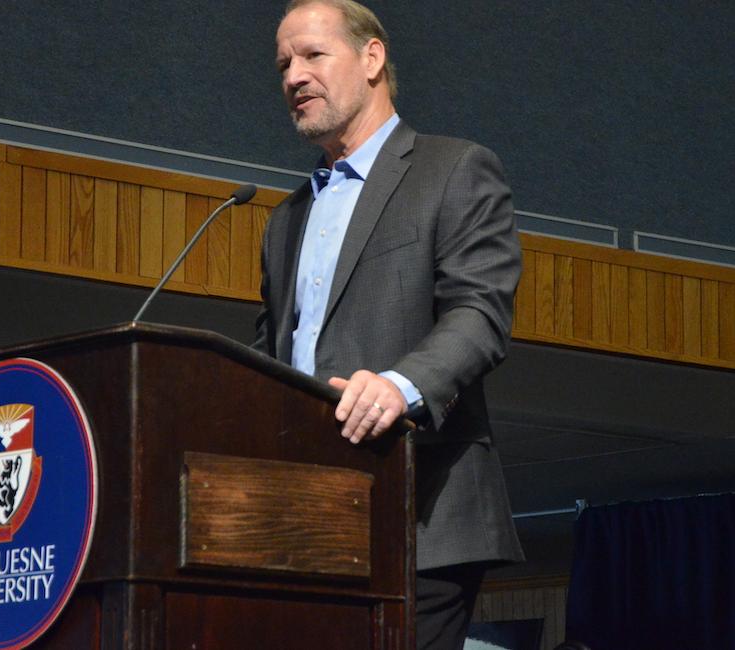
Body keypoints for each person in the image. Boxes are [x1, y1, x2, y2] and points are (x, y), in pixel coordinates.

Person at [253, 1, 525, 647]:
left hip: (420, 512)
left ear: (372, 58)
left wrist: (399, 385)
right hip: (307, 517)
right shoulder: (285, 218)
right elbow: (271, 355)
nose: (294, 75)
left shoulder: (453, 169)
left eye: (314, 55)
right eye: (283, 63)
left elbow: (481, 311)